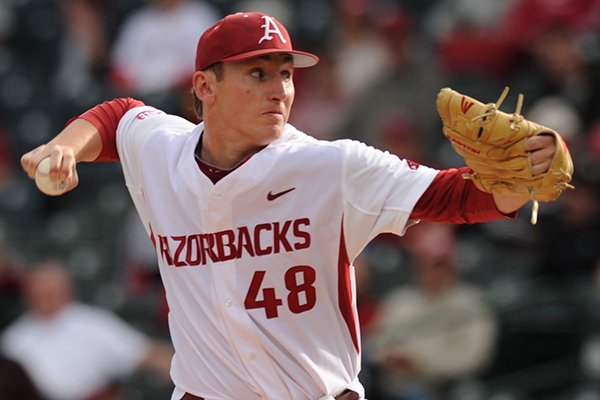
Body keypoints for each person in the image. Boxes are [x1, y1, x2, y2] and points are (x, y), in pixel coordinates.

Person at [19, 11, 561, 400]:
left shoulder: (331, 166)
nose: (279, 87)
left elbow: (458, 196)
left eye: (285, 72)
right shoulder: (163, 149)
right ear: (206, 86)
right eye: (258, 73)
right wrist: (63, 147)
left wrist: (531, 171)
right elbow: (117, 116)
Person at [0, 259, 174, 400]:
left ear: (66, 289)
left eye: (50, 288)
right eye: (37, 289)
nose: (43, 294)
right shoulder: (13, 337)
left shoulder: (91, 322)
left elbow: (146, 354)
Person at [365, 222, 498, 400]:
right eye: (428, 265)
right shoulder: (400, 301)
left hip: (446, 386)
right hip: (395, 384)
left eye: (440, 265)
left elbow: (474, 357)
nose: (434, 273)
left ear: (453, 266)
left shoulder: (471, 303)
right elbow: (374, 343)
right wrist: (388, 357)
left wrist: (421, 364)